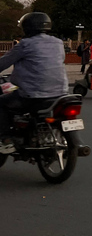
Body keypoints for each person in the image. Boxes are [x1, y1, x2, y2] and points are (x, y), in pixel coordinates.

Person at [0, 13, 69, 154]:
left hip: (33, 94)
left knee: (1, 104)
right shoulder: (58, 43)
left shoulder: (25, 44)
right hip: (60, 93)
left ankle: (6, 139)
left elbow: (4, 63)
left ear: (27, 27)